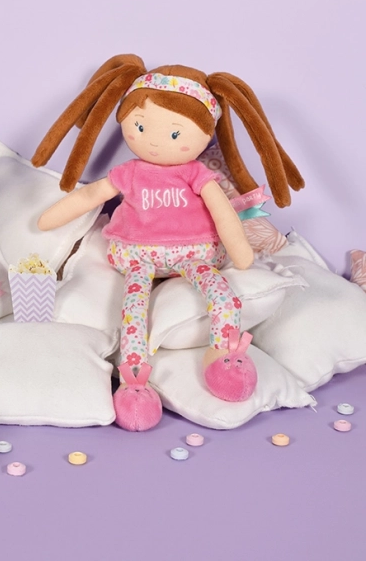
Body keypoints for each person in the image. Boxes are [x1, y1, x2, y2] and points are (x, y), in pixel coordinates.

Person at [33, 54, 303, 432]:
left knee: (223, 295)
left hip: (195, 254)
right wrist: (47, 219)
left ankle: (224, 354)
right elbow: (90, 195)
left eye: (175, 134)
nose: (156, 142)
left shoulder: (196, 173)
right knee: (133, 310)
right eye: (141, 126)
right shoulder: (129, 172)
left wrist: (241, 253)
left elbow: (223, 212)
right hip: (136, 256)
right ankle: (134, 380)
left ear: (204, 133)